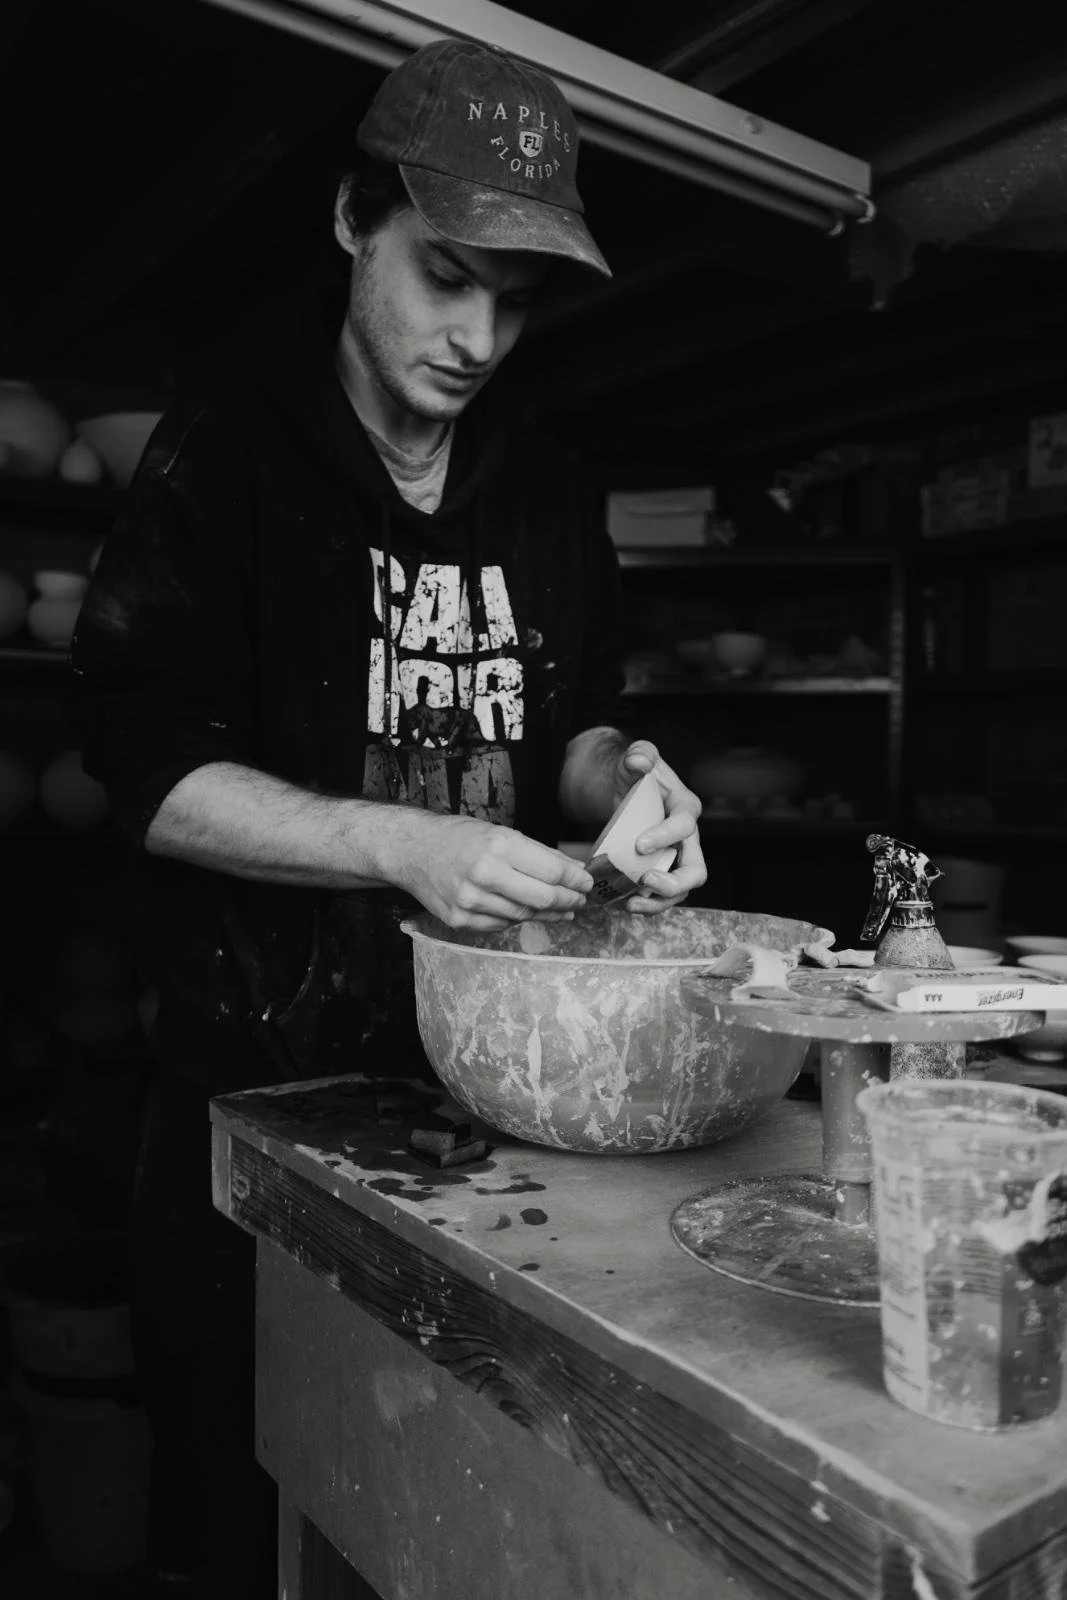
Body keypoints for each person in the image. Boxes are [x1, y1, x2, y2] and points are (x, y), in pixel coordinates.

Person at [69, 37, 706, 1598]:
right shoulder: (224, 453)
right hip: (254, 1102)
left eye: (519, 297)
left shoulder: (548, 488)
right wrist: (400, 841)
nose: (481, 335)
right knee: (238, 1517)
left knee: (443, 1526)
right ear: (356, 222)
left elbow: (573, 729)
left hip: (486, 1113)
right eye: (446, 275)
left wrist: (627, 785)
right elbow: (142, 774)